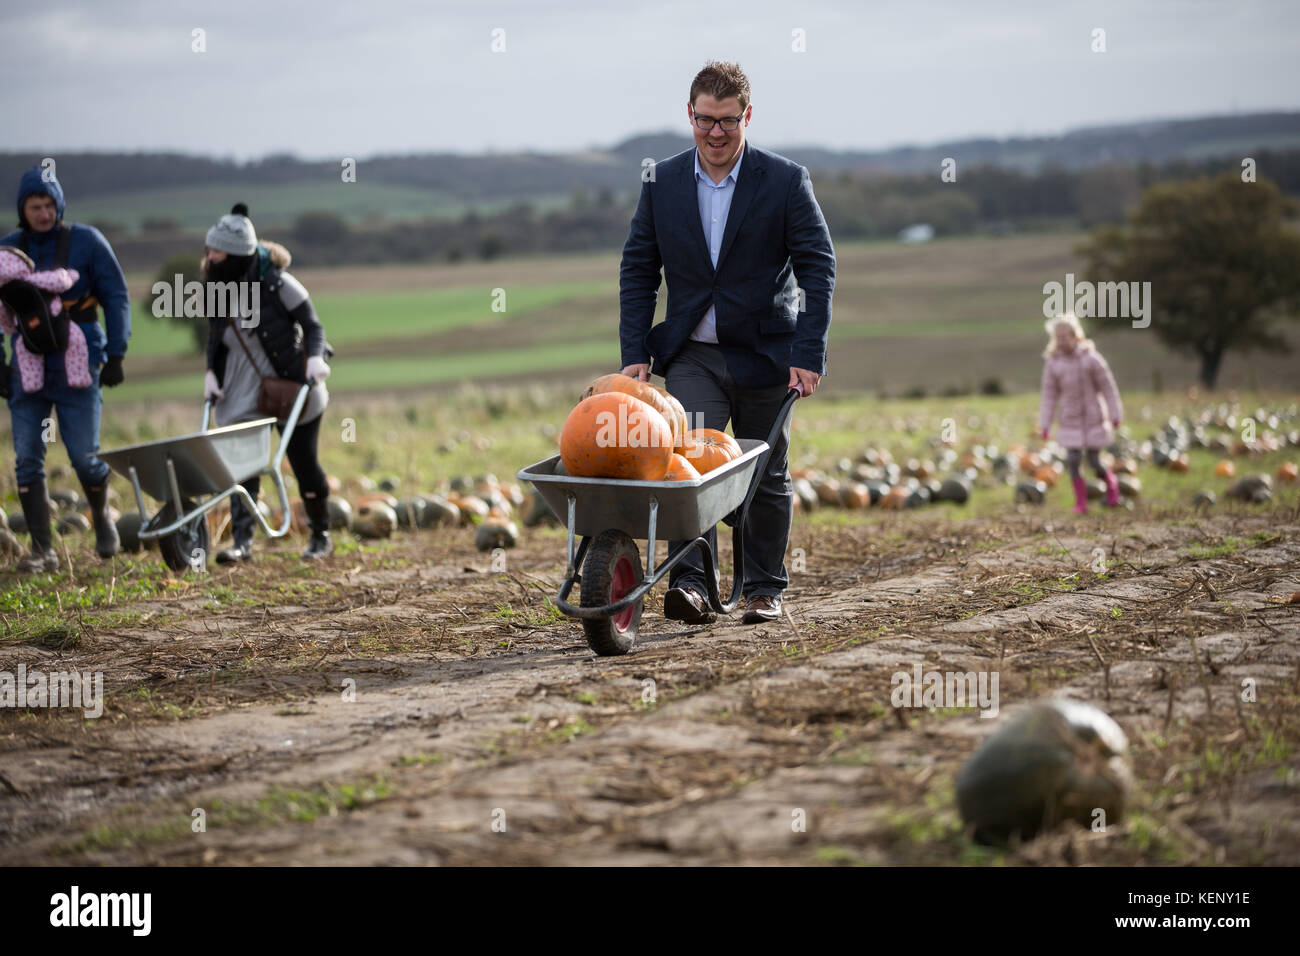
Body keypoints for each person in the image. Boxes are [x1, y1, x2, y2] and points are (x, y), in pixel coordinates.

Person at [619, 61, 835, 625]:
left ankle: (764, 588)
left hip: (767, 354)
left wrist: (808, 354)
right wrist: (635, 354)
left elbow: (819, 266)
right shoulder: (660, 181)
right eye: (705, 120)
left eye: (728, 121)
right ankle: (692, 585)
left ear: (747, 116)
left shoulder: (785, 180)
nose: (715, 133)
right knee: (689, 468)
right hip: (692, 354)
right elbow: (640, 267)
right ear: (689, 115)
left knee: (766, 472)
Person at [0, 166, 131, 572]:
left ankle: (104, 521)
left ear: (59, 206)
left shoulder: (87, 242)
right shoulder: (7, 250)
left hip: (79, 360)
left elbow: (116, 295)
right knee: (26, 458)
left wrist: (116, 352)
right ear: (23, 209)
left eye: (49, 205)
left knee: (83, 455)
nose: (43, 213)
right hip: (28, 363)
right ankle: (43, 551)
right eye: (34, 206)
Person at [201, 204, 334, 561]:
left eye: (216, 251)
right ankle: (242, 542)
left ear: (237, 253)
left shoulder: (278, 283)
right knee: (242, 465)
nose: (210, 257)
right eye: (209, 249)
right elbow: (215, 335)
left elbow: (313, 325)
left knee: (303, 463)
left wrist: (315, 358)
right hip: (241, 389)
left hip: (291, 385)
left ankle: (320, 536)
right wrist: (211, 372)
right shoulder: (215, 284)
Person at [1039, 313, 1124, 514]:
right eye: (1057, 338)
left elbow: (1108, 388)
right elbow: (1049, 396)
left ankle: (1112, 488)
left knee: (1095, 462)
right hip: (1070, 420)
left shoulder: (1091, 358)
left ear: (1075, 335)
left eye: (1064, 337)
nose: (1060, 341)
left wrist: (1115, 413)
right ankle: (1081, 503)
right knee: (1073, 460)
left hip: (1094, 418)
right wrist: (1045, 424)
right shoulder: (1053, 363)